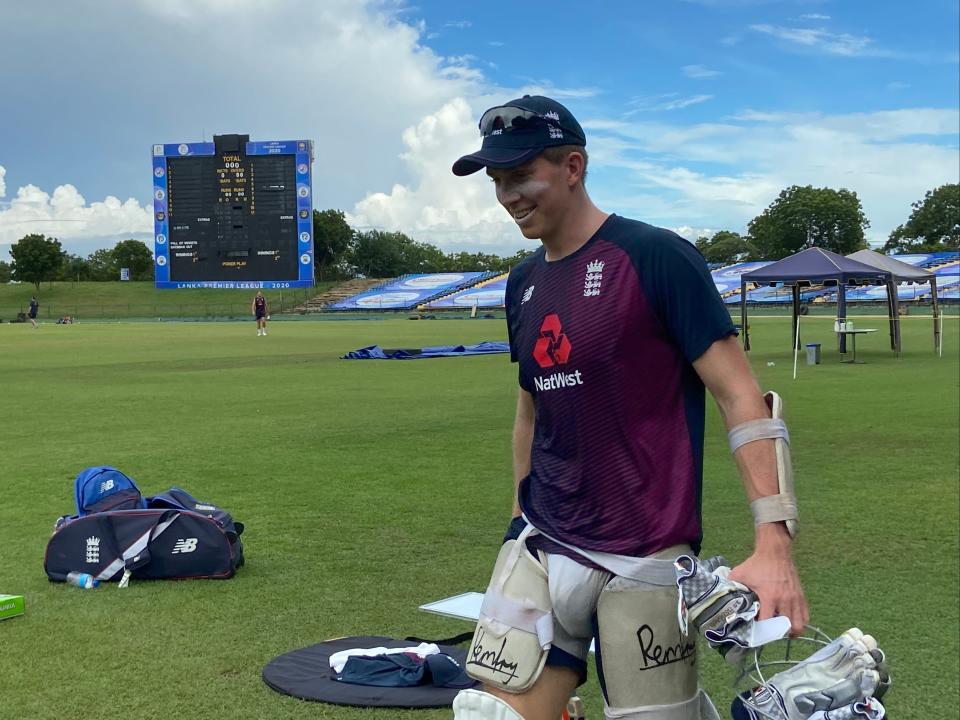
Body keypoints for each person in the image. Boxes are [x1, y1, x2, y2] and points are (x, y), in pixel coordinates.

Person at [449, 96, 808, 720]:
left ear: (573, 166)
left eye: (521, 176)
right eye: (498, 181)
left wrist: (773, 542)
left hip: (645, 555)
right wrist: (516, 522)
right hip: (544, 544)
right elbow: (532, 409)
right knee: (489, 715)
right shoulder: (521, 282)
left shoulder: (655, 256)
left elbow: (741, 397)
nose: (508, 195)